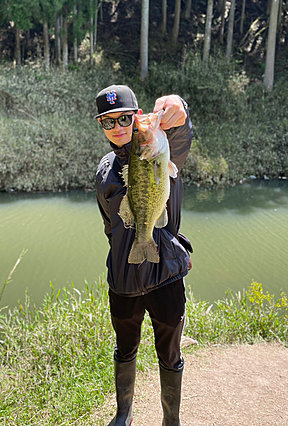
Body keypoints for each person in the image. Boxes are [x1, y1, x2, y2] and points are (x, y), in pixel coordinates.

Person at [95, 85, 193, 426]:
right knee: (125, 350)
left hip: (164, 275)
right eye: (108, 122)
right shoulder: (105, 171)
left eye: (125, 118)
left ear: (138, 117)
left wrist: (177, 108)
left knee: (169, 352)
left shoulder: (162, 151)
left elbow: (180, 135)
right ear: (102, 127)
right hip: (123, 280)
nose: (119, 126)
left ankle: (171, 420)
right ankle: (124, 413)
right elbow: (110, 227)